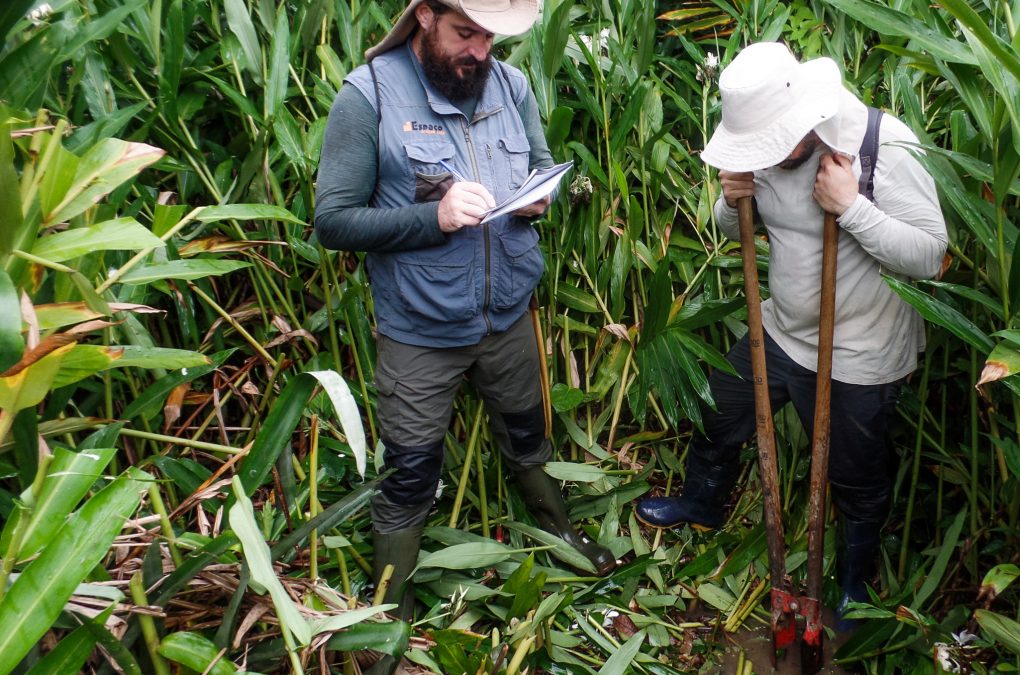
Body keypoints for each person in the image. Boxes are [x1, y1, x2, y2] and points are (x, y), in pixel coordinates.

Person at [314, 0, 616, 619]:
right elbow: (333, 222)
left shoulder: (512, 85)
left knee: (527, 435)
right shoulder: (369, 96)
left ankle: (558, 530)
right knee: (410, 473)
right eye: (465, 33)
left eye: (489, 37)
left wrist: (539, 198)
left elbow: (541, 167)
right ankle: (388, 612)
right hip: (420, 330)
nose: (480, 51)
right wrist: (436, 216)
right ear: (425, 16)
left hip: (507, 316)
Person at [635, 42, 947, 631]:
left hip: (860, 351)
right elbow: (736, 228)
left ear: (804, 117)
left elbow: (931, 256)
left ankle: (854, 585)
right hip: (780, 331)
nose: (765, 157)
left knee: (854, 475)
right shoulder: (759, 152)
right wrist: (730, 201)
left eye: (771, 144)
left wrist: (851, 207)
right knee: (719, 412)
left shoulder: (879, 145)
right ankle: (703, 503)